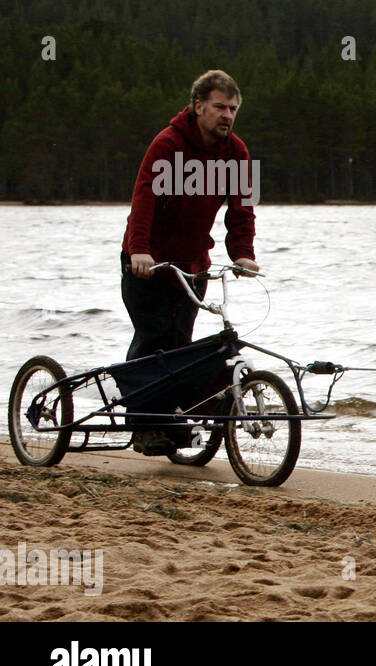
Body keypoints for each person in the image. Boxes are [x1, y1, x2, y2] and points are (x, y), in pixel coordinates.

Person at [120, 69, 259, 454]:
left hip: (193, 264)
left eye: (233, 109)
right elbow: (143, 201)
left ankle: (175, 418)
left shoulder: (237, 152)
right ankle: (145, 427)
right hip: (148, 262)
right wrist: (139, 250)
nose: (227, 115)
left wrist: (243, 254)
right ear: (198, 107)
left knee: (181, 344)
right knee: (154, 339)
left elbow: (242, 209)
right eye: (219, 107)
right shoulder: (167, 145)